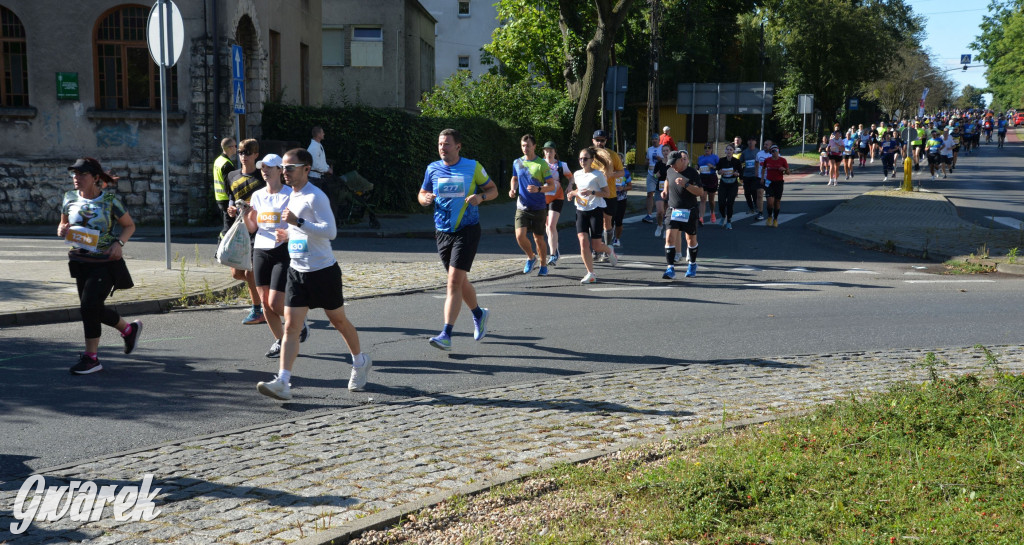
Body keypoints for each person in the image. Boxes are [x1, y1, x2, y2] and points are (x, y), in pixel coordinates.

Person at [256, 149, 371, 400]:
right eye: (283, 168)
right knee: (291, 328)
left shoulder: (315, 196)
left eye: (290, 168)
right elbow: (300, 230)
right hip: (297, 271)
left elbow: (330, 232)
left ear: (306, 169)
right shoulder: (292, 196)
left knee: (338, 321)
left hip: (323, 271)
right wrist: (289, 234)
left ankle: (360, 361)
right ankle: (283, 381)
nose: (284, 172)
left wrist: (298, 224)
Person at [58, 158, 142, 374]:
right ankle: (128, 330)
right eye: (74, 174)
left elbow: (129, 226)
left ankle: (91, 358)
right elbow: (63, 223)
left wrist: (119, 243)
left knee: (88, 307)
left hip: (105, 262)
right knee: (92, 308)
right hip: (79, 260)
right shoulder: (68, 197)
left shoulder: (110, 200)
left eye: (82, 174)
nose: (76, 178)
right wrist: (62, 229)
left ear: (95, 178)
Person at [418, 129, 499, 351]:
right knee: (460, 281)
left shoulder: (473, 167)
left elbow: (493, 190)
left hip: (468, 229)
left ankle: (446, 333)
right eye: (440, 144)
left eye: (446, 144)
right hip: (443, 231)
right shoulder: (432, 169)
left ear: (458, 146)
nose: (442, 148)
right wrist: (424, 199)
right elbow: (422, 193)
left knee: (453, 281)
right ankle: (479, 314)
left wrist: (480, 197)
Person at [243, 154, 309, 359]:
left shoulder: (291, 194)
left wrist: (289, 234)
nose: (265, 170)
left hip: (283, 250)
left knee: (275, 302)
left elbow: (303, 224)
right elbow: (253, 228)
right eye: (262, 167)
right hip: (261, 248)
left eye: (269, 167)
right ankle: (282, 341)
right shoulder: (257, 195)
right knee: (264, 302)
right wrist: (245, 214)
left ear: (280, 169)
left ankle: (300, 322)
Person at [226, 138, 267, 325]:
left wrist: (253, 208)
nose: (244, 156)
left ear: (256, 155)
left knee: (250, 271)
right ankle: (263, 286)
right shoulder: (232, 175)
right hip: (238, 227)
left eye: (248, 153)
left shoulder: (262, 177)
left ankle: (257, 310)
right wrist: (231, 208)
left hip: (256, 228)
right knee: (236, 272)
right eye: (241, 152)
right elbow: (231, 197)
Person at [567, 147, 617, 283]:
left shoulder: (598, 175)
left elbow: (607, 193)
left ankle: (609, 250)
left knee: (596, 246)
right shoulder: (577, 174)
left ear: (592, 160)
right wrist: (572, 194)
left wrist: (592, 193)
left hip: (595, 210)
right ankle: (591, 273)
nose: (582, 161)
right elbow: (578, 189)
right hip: (581, 210)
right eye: (580, 159)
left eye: (585, 159)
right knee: (583, 241)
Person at [509, 134, 555, 276]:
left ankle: (543, 265)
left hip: (538, 207)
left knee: (538, 238)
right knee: (519, 236)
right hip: (522, 206)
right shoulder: (517, 162)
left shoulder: (541, 164)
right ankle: (531, 257)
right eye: (523, 145)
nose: (525, 148)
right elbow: (514, 178)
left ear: (534, 146)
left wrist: (539, 189)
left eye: (528, 145)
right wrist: (512, 188)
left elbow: (551, 186)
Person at [660, 150, 703, 279]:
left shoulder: (692, 173)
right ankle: (670, 269)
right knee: (669, 238)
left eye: (674, 163)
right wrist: (665, 191)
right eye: (670, 164)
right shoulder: (670, 170)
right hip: (673, 210)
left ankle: (692, 264)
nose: (672, 166)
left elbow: (700, 192)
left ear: (681, 160)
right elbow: (668, 179)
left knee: (690, 240)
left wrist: (686, 185)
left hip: (689, 210)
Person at [591, 130, 624, 260]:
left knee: (607, 221)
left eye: (602, 140)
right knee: (593, 222)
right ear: (593, 140)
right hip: (593, 193)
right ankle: (596, 249)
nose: (599, 142)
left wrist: (611, 175)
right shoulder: (589, 154)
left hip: (609, 194)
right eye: (597, 140)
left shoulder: (612, 155)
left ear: (606, 141)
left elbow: (621, 172)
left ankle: (607, 248)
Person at [542, 141, 571, 266]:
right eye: (546, 151)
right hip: (542, 198)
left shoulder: (561, 165)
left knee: (551, 226)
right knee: (547, 227)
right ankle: (556, 249)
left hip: (557, 197)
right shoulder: (539, 164)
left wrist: (570, 185)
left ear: (555, 152)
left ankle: (553, 255)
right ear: (544, 152)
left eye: (551, 151)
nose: (548, 153)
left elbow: (571, 177)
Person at [212, 138, 236, 238]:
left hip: (220, 197)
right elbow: (228, 185)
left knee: (229, 227)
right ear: (230, 148)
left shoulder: (218, 160)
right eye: (235, 146)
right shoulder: (226, 164)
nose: (236, 148)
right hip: (226, 199)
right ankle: (219, 250)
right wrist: (232, 201)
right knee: (228, 229)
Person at [762, 145, 789, 227]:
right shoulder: (767, 160)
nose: (775, 152)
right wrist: (762, 178)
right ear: (771, 152)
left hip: (779, 183)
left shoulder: (783, 160)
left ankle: (775, 219)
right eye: (773, 151)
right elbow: (763, 168)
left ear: (778, 151)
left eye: (776, 150)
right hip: (769, 183)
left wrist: (784, 169)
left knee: (777, 201)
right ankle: (770, 216)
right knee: (770, 202)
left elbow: (788, 172)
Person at [716, 143, 742, 229]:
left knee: (730, 203)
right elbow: (718, 170)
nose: (729, 151)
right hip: (723, 183)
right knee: (721, 202)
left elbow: (740, 172)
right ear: (725, 151)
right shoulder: (721, 160)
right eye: (727, 149)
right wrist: (720, 172)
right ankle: (723, 216)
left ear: (733, 151)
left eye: (731, 150)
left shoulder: (736, 161)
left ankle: (729, 221)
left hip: (733, 184)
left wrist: (737, 174)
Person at [651, 144, 671, 237]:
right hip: (660, 189)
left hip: (670, 190)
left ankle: (666, 229)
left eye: (667, 150)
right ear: (662, 152)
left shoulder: (673, 164)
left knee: (667, 212)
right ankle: (659, 226)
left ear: (670, 152)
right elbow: (654, 175)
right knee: (660, 211)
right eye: (664, 151)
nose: (665, 152)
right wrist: (656, 175)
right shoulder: (659, 163)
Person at [696, 144, 719, 225]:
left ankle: (712, 212)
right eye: (705, 148)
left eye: (709, 148)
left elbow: (719, 167)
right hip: (702, 178)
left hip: (712, 178)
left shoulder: (715, 157)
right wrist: (696, 167)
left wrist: (713, 166)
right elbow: (698, 166)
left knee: (711, 200)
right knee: (703, 199)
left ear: (711, 149)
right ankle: (701, 218)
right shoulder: (700, 157)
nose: (707, 149)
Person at [740, 138, 761, 217]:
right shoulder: (744, 152)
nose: (751, 142)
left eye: (752, 140)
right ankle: (751, 208)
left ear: (755, 142)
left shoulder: (758, 152)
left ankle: (756, 206)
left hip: (755, 175)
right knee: (747, 193)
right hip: (746, 175)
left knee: (754, 191)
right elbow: (740, 162)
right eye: (749, 140)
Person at [643, 134, 662, 223]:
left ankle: (664, 213)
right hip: (651, 174)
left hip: (661, 175)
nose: (654, 140)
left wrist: (660, 159)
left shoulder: (662, 148)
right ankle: (649, 215)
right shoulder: (649, 149)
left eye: (656, 139)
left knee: (663, 194)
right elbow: (647, 160)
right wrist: (646, 162)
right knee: (649, 194)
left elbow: (667, 159)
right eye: (653, 139)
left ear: (659, 140)